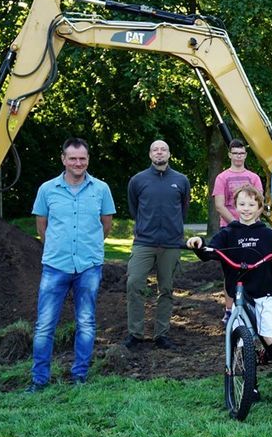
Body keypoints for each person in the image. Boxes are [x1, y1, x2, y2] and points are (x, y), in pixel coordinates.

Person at [187, 185, 272, 406]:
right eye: (242, 204)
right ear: (235, 206)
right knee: (241, 344)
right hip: (239, 295)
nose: (246, 209)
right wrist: (198, 245)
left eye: (252, 205)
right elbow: (210, 251)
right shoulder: (228, 233)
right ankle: (249, 388)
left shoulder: (267, 233)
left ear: (260, 208)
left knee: (271, 339)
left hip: (263, 294)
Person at [26, 138, 115, 392]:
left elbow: (105, 225)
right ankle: (39, 379)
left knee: (86, 322)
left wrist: (90, 248)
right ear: (63, 159)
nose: (78, 163)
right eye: (73, 158)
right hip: (55, 265)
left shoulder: (101, 189)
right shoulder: (47, 189)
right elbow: (41, 226)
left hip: (88, 266)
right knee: (45, 324)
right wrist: (57, 247)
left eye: (82, 158)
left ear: (88, 160)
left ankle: (79, 375)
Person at [124, 140, 191, 350]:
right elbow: (134, 208)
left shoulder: (181, 180)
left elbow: (183, 209)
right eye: (155, 149)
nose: (159, 152)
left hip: (171, 244)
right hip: (144, 242)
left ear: (169, 153)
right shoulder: (138, 180)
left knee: (167, 289)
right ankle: (135, 334)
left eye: (163, 149)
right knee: (134, 284)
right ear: (150, 154)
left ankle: (161, 335)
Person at [212, 138, 264, 325]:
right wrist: (237, 224)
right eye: (235, 153)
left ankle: (252, 306)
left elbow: (260, 203)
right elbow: (219, 205)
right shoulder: (222, 178)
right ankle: (229, 309)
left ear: (245, 155)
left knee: (254, 268)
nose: (238, 157)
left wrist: (249, 223)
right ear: (230, 155)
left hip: (252, 229)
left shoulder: (253, 178)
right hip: (230, 230)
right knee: (231, 271)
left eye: (241, 153)